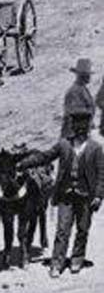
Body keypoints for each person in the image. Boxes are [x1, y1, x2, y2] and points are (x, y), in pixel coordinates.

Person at [19, 107, 104, 276]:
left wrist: (99, 196)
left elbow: (102, 173)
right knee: (62, 230)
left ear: (87, 128)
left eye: (83, 126)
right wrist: (23, 163)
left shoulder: (96, 148)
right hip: (65, 195)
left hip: (86, 196)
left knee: (82, 229)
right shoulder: (63, 144)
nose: (79, 129)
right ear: (73, 127)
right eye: (76, 125)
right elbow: (45, 156)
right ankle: (56, 264)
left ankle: (77, 259)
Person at [61, 58, 95, 139]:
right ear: (83, 76)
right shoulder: (75, 92)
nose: (89, 77)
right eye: (88, 74)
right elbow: (76, 116)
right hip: (74, 136)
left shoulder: (82, 89)